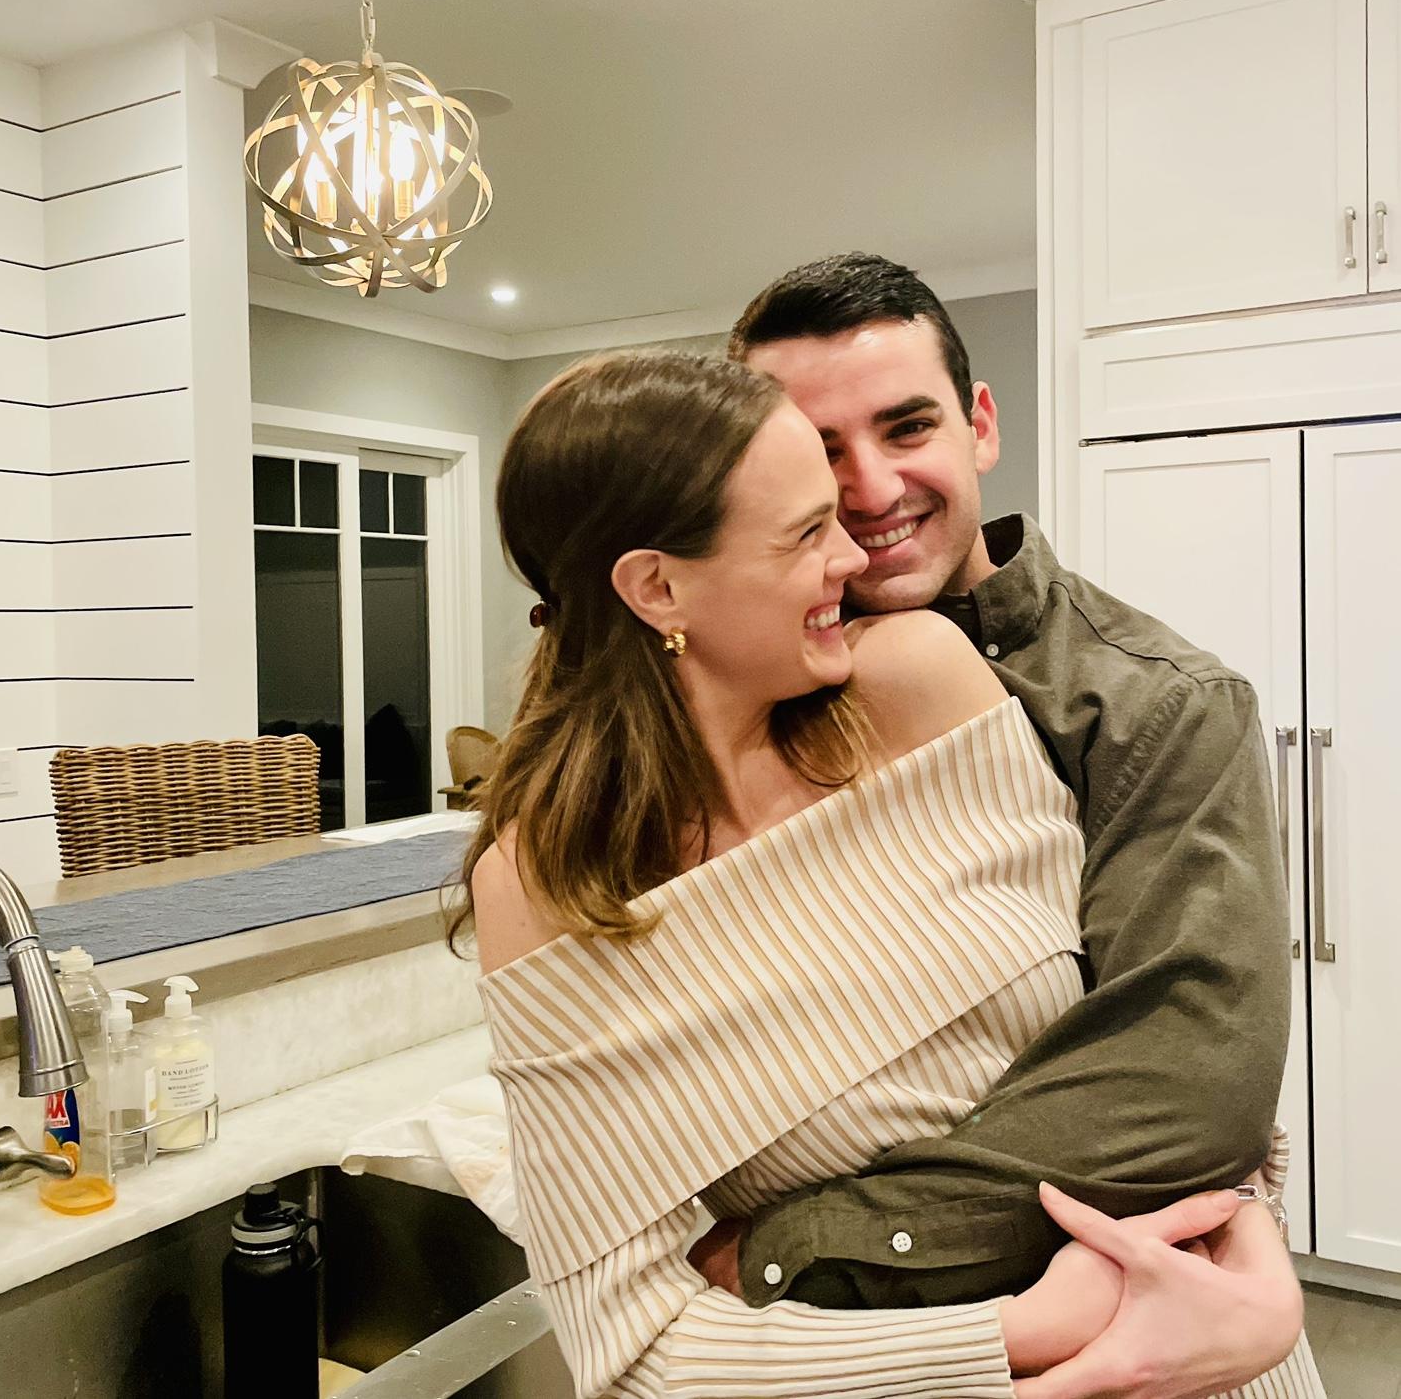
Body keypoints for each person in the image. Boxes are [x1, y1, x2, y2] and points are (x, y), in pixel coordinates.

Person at [456, 348, 1316, 1397]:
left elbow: (1169, 1063)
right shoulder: (549, 895)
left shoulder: (919, 686)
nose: (850, 554)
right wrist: (1020, 1334)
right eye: (805, 531)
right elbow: (632, 1348)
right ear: (658, 586)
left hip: (1221, 1354)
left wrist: (789, 1250)